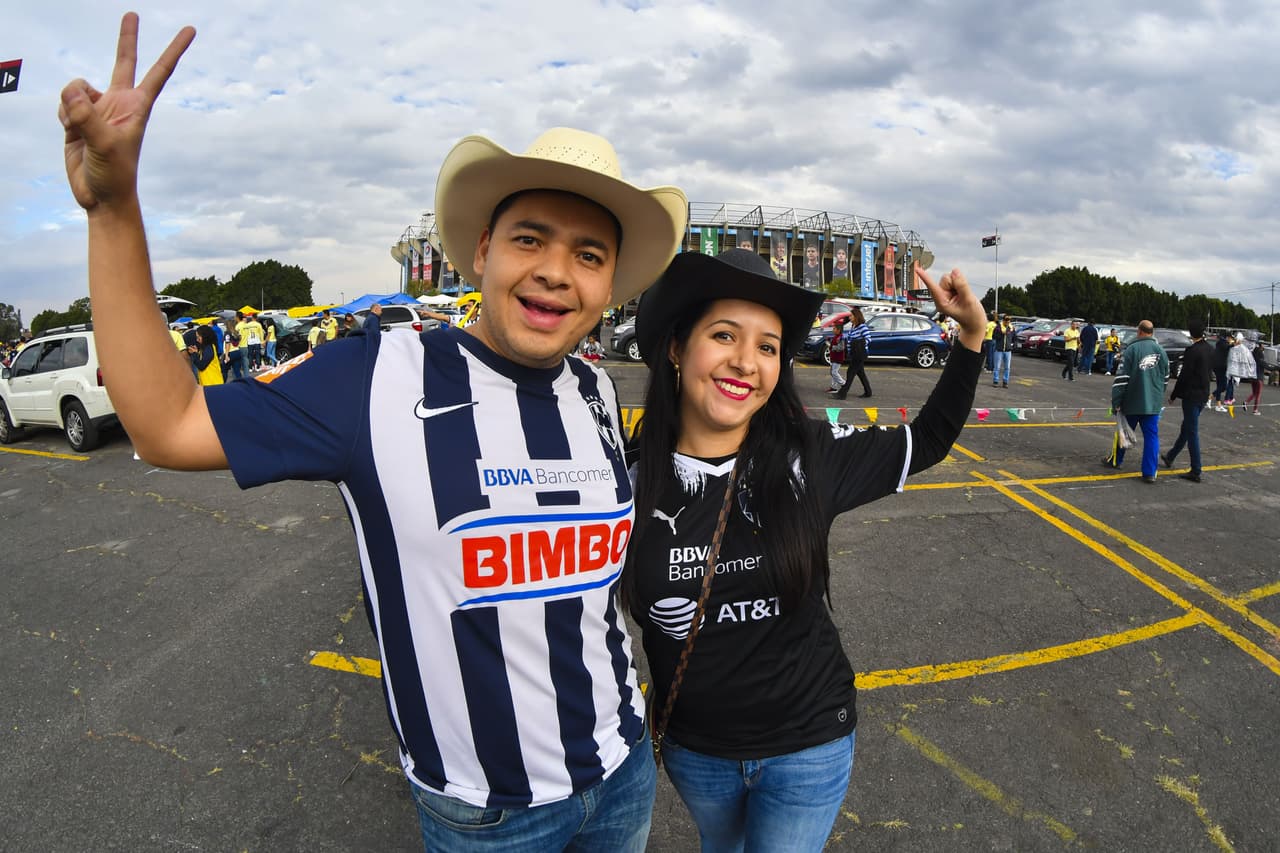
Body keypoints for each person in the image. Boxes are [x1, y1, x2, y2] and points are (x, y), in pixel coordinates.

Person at [59, 14, 688, 850]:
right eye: (530, 239)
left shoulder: (596, 388)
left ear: (608, 284)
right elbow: (169, 424)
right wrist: (113, 208)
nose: (553, 271)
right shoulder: (376, 374)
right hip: (488, 817)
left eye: (588, 254)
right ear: (482, 248)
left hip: (620, 778)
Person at [621, 249, 986, 853]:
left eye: (768, 346)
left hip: (809, 744)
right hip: (696, 748)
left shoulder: (809, 454)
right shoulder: (626, 481)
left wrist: (971, 335)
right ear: (677, 348)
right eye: (723, 335)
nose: (746, 360)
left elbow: (928, 439)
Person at [1104, 321, 1169, 482]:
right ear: (1152, 332)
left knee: (1123, 432)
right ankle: (1149, 473)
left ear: (1139, 331)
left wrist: (1116, 401)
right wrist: (1158, 396)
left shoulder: (1131, 350)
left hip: (1132, 401)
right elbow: (1165, 380)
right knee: (1152, 437)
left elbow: (1121, 379)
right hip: (1153, 404)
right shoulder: (1162, 352)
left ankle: (1115, 460)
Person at [1162, 320, 1212, 482]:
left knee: (1191, 432)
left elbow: (1184, 376)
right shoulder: (1209, 349)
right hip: (1203, 394)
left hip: (1191, 395)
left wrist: (1173, 394)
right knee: (1187, 427)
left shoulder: (1192, 351)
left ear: (1191, 334)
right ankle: (1170, 456)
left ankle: (1196, 470)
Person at [832, 306, 872, 399]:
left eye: (851, 316)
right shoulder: (853, 326)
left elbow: (868, 339)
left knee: (850, 372)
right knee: (861, 373)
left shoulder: (862, 327)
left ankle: (842, 394)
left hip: (860, 354)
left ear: (856, 316)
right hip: (854, 354)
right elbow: (850, 340)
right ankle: (868, 392)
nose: (849, 317)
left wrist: (858, 344)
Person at [1225, 332, 1255, 409]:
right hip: (1233, 369)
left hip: (1234, 369)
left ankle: (1230, 398)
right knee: (1231, 383)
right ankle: (1227, 399)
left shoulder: (1237, 348)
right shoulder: (1235, 348)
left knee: (1231, 383)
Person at [991, 314, 1014, 387]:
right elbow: (994, 336)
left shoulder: (1011, 328)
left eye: (1009, 320)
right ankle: (995, 381)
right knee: (997, 367)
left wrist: (1012, 345)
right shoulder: (998, 328)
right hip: (999, 350)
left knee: (1007, 367)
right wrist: (1001, 333)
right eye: (1006, 320)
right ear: (1003, 320)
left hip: (1008, 350)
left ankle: (1005, 382)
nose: (1008, 322)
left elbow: (1014, 337)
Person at [1211, 331, 1232, 410]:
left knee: (1220, 385)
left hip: (1219, 366)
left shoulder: (1221, 342)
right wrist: (1233, 344)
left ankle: (1218, 404)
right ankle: (1210, 397)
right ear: (1227, 337)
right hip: (1220, 367)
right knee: (1223, 386)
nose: (1230, 339)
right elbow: (1226, 347)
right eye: (1230, 338)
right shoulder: (1222, 343)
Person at [1245, 341, 1266, 414]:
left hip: (1253, 377)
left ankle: (1246, 402)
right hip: (1259, 377)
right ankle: (1255, 410)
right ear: (1260, 346)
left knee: (1254, 393)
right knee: (1258, 394)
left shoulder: (1253, 355)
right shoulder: (1261, 355)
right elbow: (1264, 365)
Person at [827, 318, 846, 391]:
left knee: (834, 372)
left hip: (838, 358)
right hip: (834, 357)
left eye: (834, 328)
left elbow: (841, 347)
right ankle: (833, 387)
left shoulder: (841, 337)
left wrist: (832, 347)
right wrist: (830, 341)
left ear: (838, 330)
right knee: (833, 372)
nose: (833, 330)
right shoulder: (836, 337)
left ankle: (844, 383)